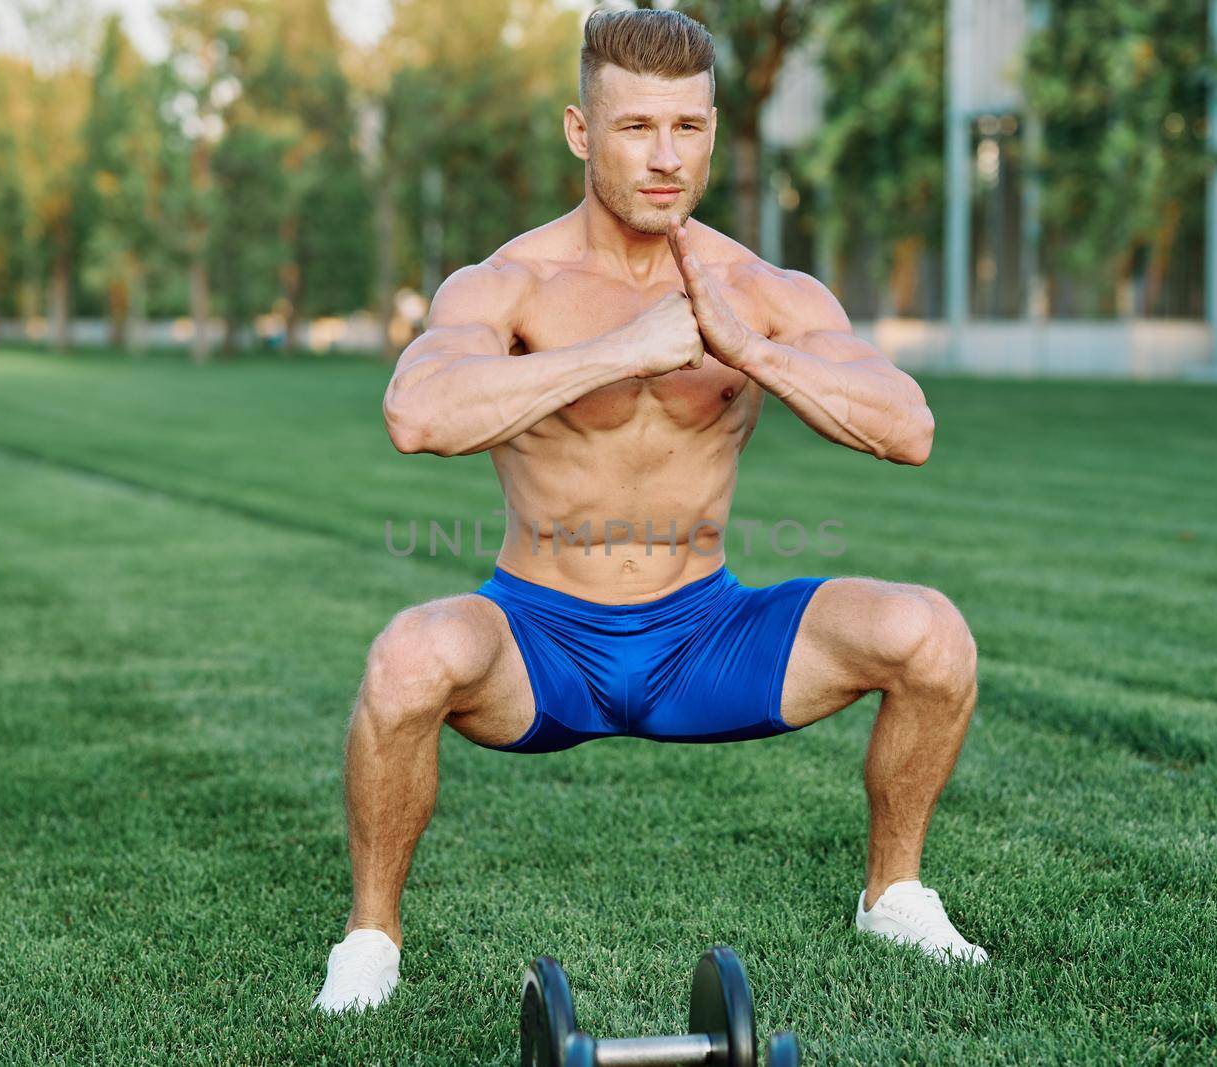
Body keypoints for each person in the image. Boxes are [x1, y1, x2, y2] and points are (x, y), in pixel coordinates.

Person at [314, 8, 984, 1014]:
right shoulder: (506, 283)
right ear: (581, 130)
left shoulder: (759, 290)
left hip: (704, 632)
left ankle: (892, 892)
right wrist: (624, 348)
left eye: (688, 127)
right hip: (542, 635)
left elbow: (907, 427)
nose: (665, 156)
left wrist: (748, 351)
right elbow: (417, 414)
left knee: (930, 633)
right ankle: (369, 941)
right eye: (636, 128)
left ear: (713, 128)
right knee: (408, 655)